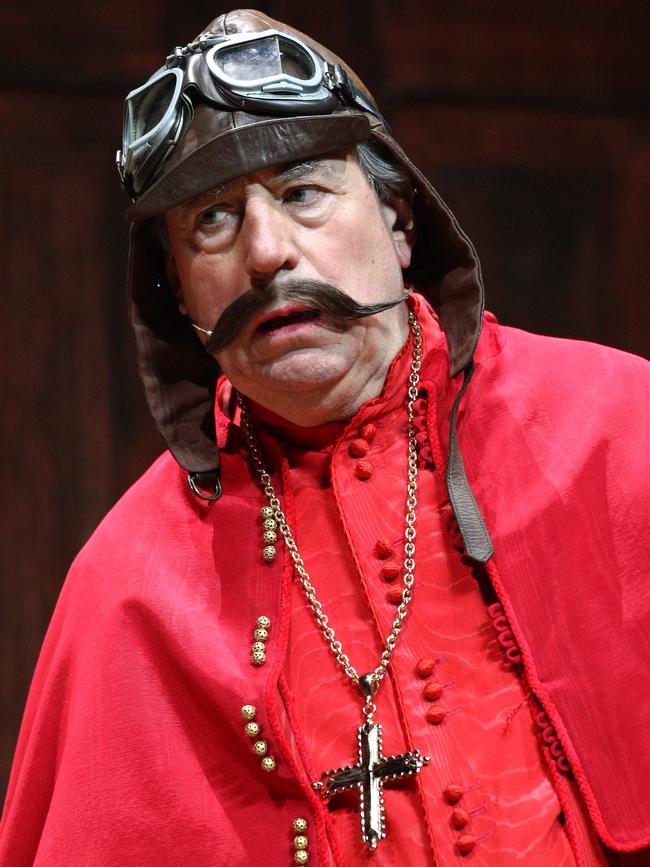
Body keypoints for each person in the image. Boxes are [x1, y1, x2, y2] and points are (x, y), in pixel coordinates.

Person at [1, 9, 649, 866]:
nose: (267, 252)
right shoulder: (125, 586)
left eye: (302, 191)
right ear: (183, 301)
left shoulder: (623, 427)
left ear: (399, 219)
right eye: (213, 222)